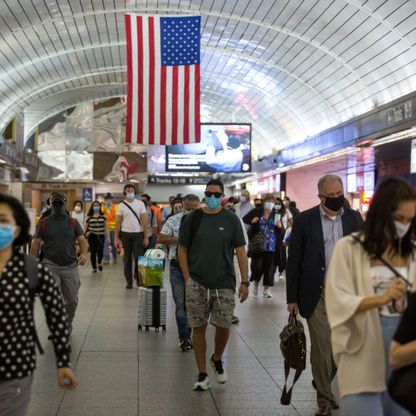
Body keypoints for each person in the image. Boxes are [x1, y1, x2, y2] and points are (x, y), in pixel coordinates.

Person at [325, 178, 415, 416]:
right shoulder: (349, 249)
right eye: (399, 219)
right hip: (362, 352)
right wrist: (381, 298)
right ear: (381, 213)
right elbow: (337, 299)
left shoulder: (412, 254)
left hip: (405, 358)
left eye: (409, 220)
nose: (404, 226)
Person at [286, 174, 363, 416]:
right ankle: (325, 400)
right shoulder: (304, 220)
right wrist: (292, 298)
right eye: (331, 195)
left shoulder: (353, 218)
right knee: (322, 346)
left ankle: (322, 381)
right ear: (320, 197)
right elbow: (294, 261)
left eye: (339, 193)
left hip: (345, 293)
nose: (337, 198)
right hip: (315, 293)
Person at [0, 194, 77, 415]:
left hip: (14, 365)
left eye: (3, 220)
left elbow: (56, 316)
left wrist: (63, 362)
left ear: (16, 228)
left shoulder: (31, 269)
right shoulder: (44, 225)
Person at [178, 178, 249, 391]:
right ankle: (201, 374)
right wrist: (187, 277)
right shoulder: (193, 218)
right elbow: (182, 248)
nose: (212, 198)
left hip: (224, 281)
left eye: (216, 195)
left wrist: (245, 281)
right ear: (204, 194)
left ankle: (217, 357)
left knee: (224, 324)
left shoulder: (231, 219)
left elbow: (241, 251)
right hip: (197, 281)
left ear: (222, 196)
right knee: (197, 326)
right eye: (208, 194)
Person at [31, 192, 88, 333]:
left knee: (71, 301)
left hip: (70, 265)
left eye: (59, 203)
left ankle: (67, 323)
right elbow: (35, 244)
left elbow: (82, 240)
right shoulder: (44, 223)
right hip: (50, 265)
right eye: (54, 203)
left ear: (64, 204)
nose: (57, 206)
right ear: (50, 204)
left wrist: (84, 254)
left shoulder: (73, 222)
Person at [158, 194, 200, 352]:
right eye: (187, 209)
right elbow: (161, 238)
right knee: (180, 303)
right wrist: (180, 240)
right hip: (176, 267)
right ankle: (184, 337)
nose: (190, 212)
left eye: (194, 209)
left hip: (196, 267)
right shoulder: (173, 220)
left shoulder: (203, 222)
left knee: (194, 303)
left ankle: (192, 334)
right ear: (182, 206)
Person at [243, 193, 282, 298]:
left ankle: (266, 290)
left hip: (271, 245)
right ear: (264, 202)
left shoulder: (276, 214)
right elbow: (245, 219)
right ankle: (255, 285)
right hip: (258, 243)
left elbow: (280, 230)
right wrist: (253, 220)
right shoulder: (257, 211)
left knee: (270, 268)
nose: (270, 204)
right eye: (268, 201)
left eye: (272, 202)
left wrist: (279, 226)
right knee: (257, 266)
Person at [115, 184, 148, 289]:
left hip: (138, 234)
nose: (130, 191)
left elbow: (144, 220)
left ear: (134, 192)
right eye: (128, 190)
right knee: (127, 258)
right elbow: (118, 222)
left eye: (132, 190)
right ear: (125, 192)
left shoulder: (140, 203)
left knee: (139, 258)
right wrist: (116, 237)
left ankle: (138, 279)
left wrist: (146, 237)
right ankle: (129, 282)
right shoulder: (121, 205)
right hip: (125, 234)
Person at [223, 197, 249, 324]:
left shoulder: (237, 221)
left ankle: (230, 312)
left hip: (233, 258)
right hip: (218, 259)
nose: (231, 208)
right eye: (227, 206)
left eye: (232, 206)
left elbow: (244, 242)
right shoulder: (215, 220)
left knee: (231, 286)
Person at [85, 200, 109, 273]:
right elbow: (85, 226)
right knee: (93, 252)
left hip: (101, 235)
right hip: (92, 236)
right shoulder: (89, 216)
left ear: (99, 207)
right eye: (94, 205)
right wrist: (83, 235)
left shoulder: (103, 216)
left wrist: (108, 237)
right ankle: (94, 268)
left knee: (100, 251)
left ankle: (99, 262)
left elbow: (106, 227)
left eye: (97, 205)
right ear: (92, 207)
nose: (96, 207)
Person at [102, 193, 118, 265]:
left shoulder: (116, 207)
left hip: (114, 230)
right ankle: (106, 258)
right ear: (105, 200)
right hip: (105, 230)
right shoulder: (102, 208)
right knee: (105, 243)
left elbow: (119, 219)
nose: (108, 200)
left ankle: (114, 257)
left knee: (113, 244)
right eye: (107, 199)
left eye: (109, 199)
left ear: (112, 200)